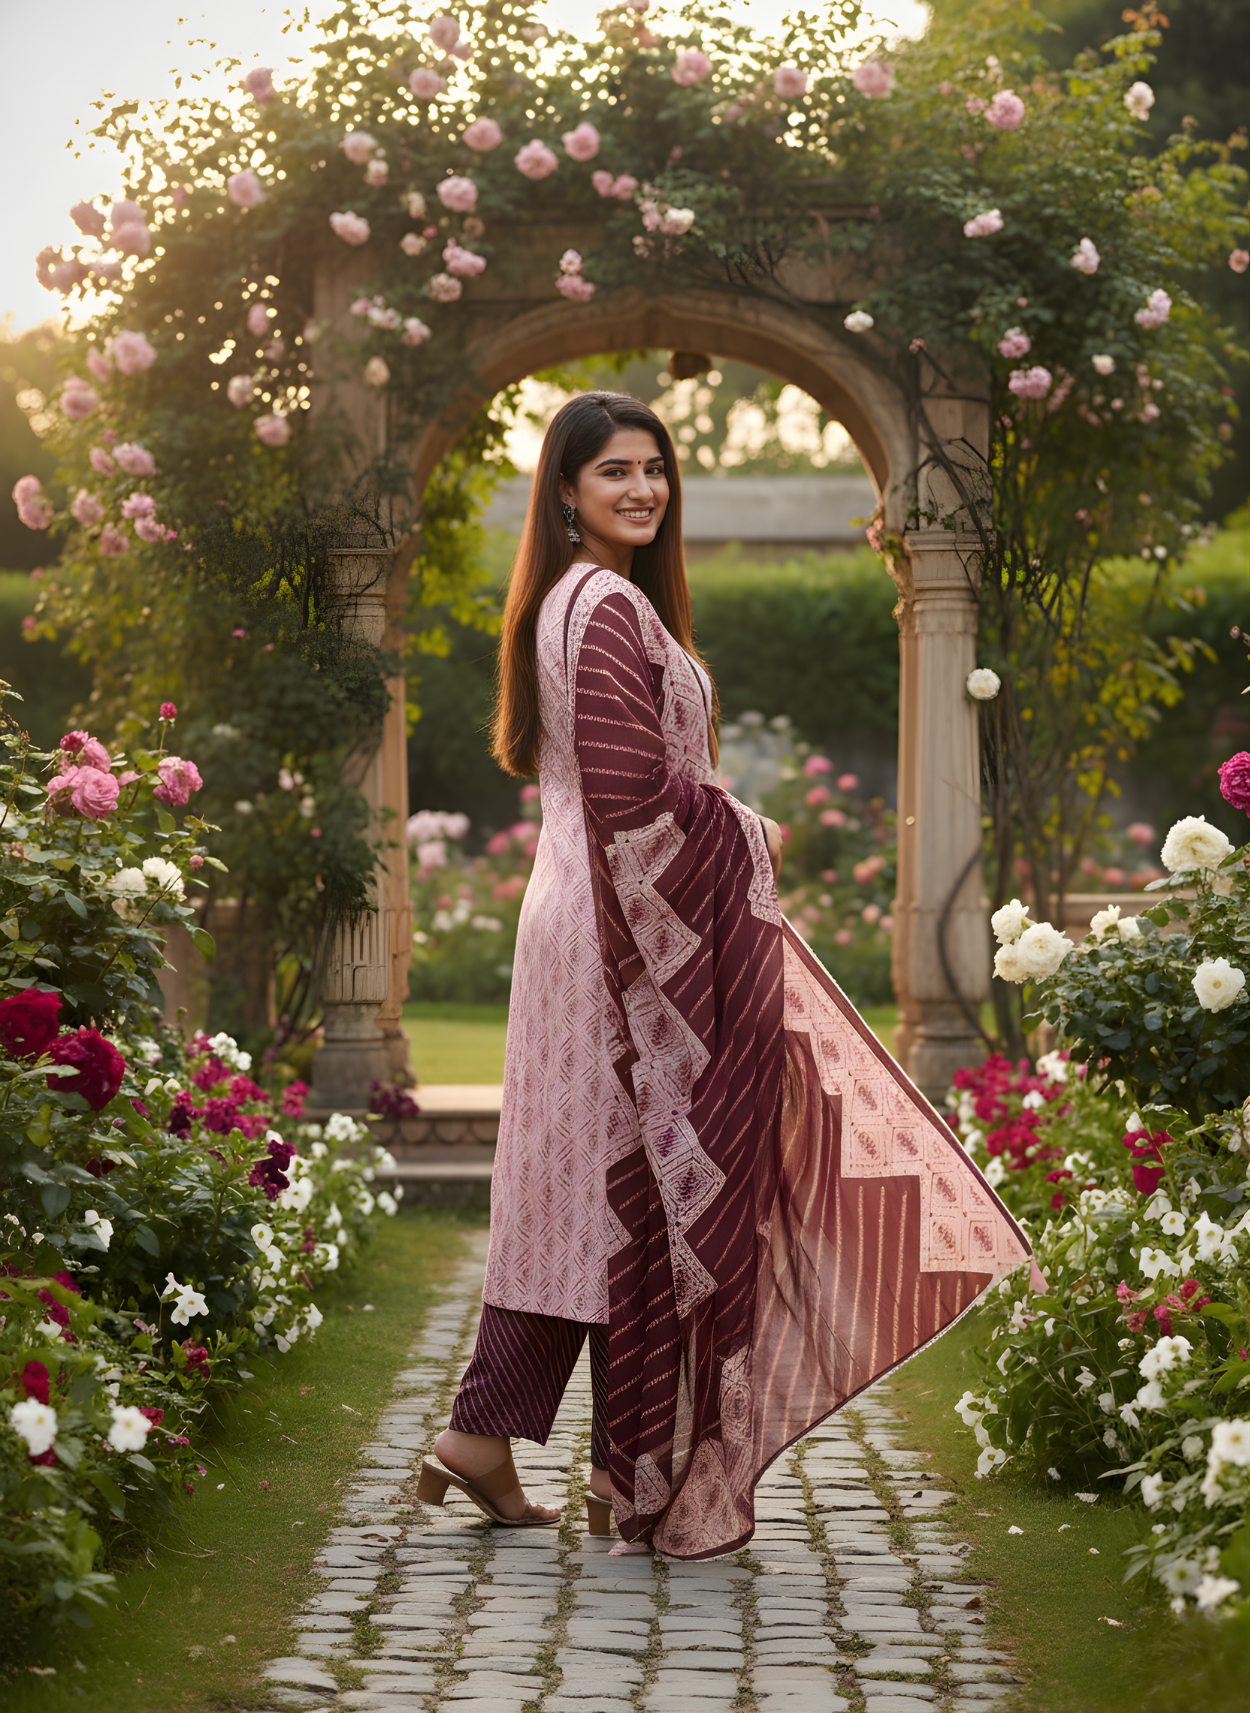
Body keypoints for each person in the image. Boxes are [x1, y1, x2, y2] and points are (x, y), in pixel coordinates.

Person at [418, 391, 1031, 1559]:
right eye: (614, 471)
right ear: (565, 492)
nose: (642, 489)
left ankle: (513, 1443)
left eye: (654, 468)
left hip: (582, 919)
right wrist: (744, 832)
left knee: (594, 1194)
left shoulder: (574, 601)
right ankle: (586, 1458)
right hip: (610, 934)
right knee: (633, 1192)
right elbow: (627, 792)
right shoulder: (601, 606)